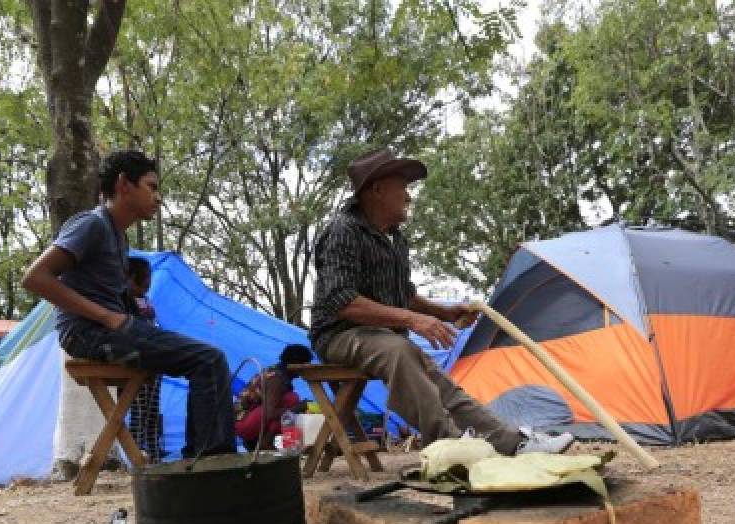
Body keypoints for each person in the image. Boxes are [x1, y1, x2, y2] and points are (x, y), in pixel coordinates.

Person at [309, 147, 574, 456]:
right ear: (377, 190)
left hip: (383, 338)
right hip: (339, 334)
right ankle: (448, 446)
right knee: (399, 351)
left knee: (441, 383)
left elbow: (404, 295)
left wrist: (446, 314)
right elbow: (343, 303)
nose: (409, 197)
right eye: (403, 188)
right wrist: (412, 320)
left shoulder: (395, 239)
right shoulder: (343, 232)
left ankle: (513, 443)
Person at [22, 149, 236, 459]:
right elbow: (35, 277)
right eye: (151, 186)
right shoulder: (90, 225)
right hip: (88, 333)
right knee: (208, 360)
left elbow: (120, 299)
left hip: (109, 331)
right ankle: (211, 463)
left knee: (206, 357)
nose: (158, 197)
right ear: (124, 184)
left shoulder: (116, 236)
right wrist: (107, 317)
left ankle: (205, 457)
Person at [234, 344, 313, 451]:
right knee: (291, 400)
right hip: (243, 423)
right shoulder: (276, 379)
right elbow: (271, 412)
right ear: (296, 364)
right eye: (305, 365)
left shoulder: (277, 373)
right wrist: (299, 407)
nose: (306, 369)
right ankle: (265, 443)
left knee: (290, 401)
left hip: (247, 419)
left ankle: (262, 442)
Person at [123, 256, 164, 461]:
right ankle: (136, 458)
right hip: (135, 364)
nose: (149, 282)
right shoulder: (124, 301)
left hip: (154, 364)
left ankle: (154, 458)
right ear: (131, 277)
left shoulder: (147, 302)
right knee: (138, 412)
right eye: (146, 277)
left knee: (152, 413)